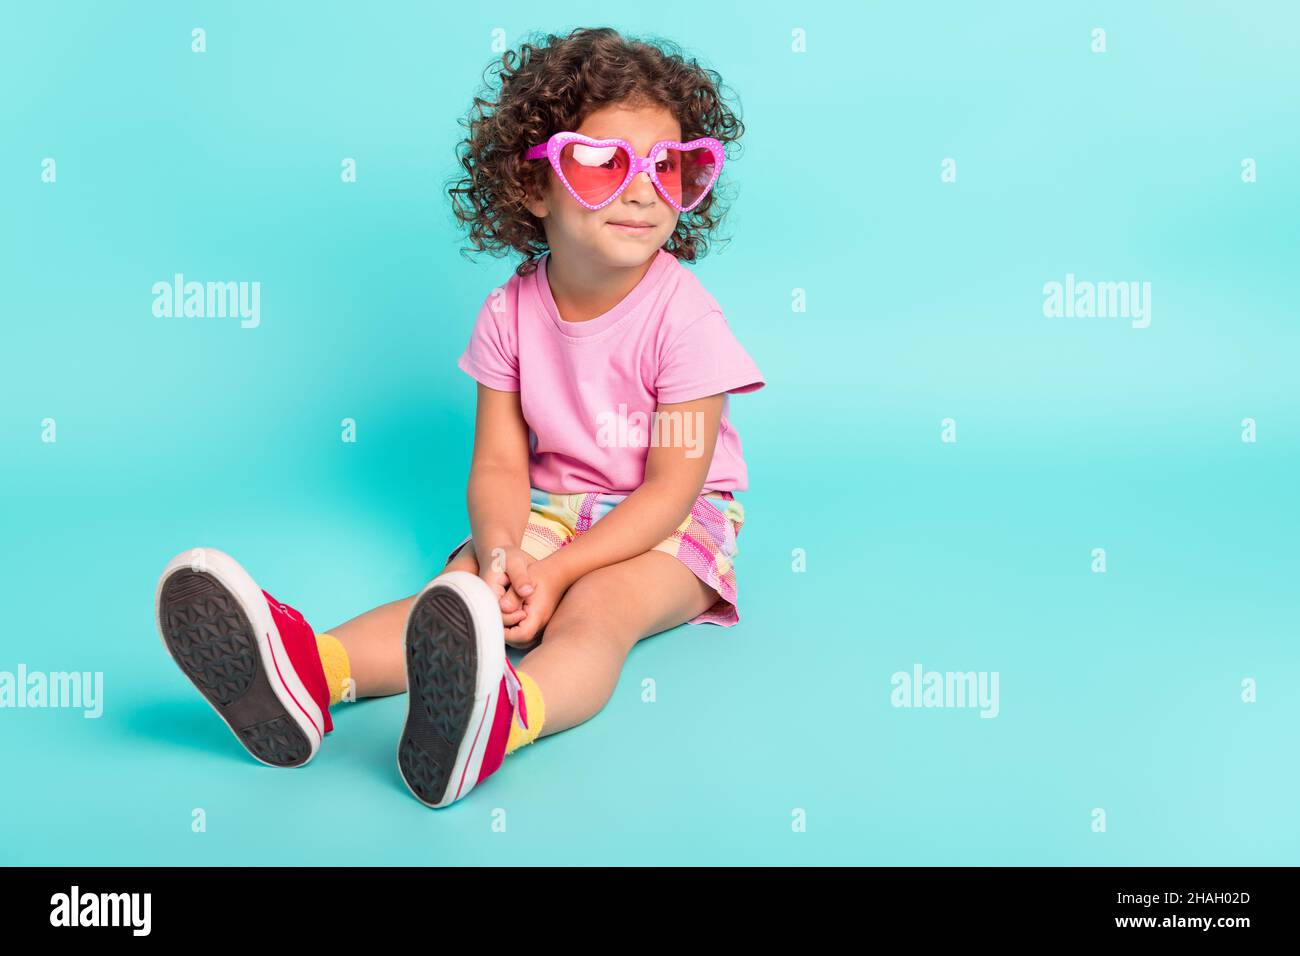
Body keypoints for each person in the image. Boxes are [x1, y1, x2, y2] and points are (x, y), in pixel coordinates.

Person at [154, 26, 764, 808]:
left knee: (597, 611)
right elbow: (503, 466)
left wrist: (560, 572)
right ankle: (310, 672)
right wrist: (507, 557)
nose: (644, 189)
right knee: (461, 589)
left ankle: (508, 717)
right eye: (606, 163)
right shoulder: (509, 313)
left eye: (668, 166)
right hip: (554, 509)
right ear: (534, 184)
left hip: (676, 521)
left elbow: (673, 489)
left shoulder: (688, 324)